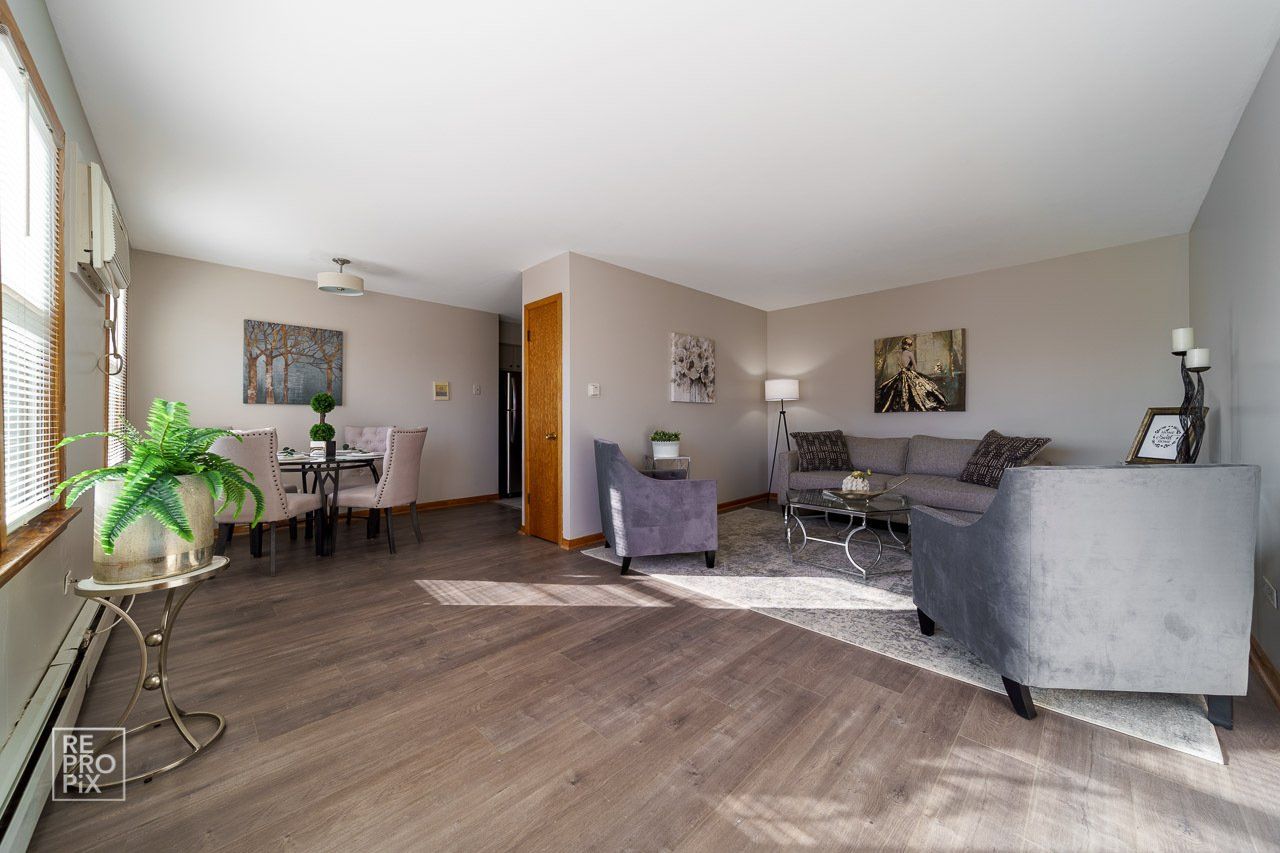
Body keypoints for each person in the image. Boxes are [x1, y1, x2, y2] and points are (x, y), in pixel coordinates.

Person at [875, 337, 949, 412]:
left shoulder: (898, 354)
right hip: (908, 373)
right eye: (908, 345)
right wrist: (917, 373)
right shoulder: (910, 354)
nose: (907, 346)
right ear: (909, 345)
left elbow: (900, 365)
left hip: (901, 374)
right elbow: (915, 368)